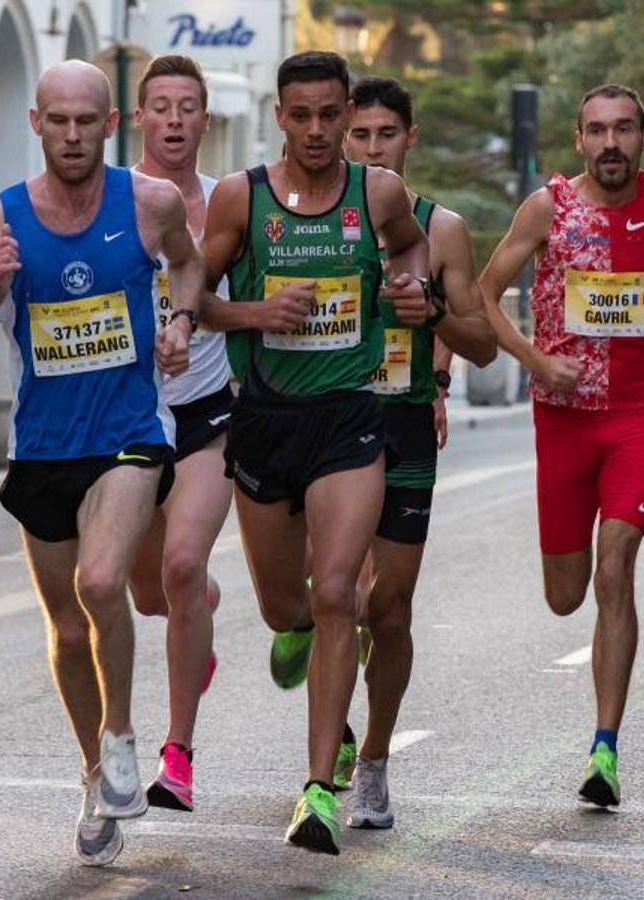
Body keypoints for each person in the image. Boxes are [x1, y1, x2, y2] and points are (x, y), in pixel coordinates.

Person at [201, 50, 492, 855]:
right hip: (269, 420)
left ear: (407, 138)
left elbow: (470, 327)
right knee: (291, 607)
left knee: (359, 600)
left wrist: (421, 303)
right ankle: (308, 660)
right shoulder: (249, 199)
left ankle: (341, 778)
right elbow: (193, 293)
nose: (343, 138)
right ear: (281, 117)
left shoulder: (412, 213)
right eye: (319, 119)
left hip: (370, 421)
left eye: (366, 127)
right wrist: (256, 313)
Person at [0, 60, 203, 868]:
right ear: (36, 123)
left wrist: (182, 321)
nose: (72, 135)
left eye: (86, 121)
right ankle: (96, 775)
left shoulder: (150, 202)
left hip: (129, 431)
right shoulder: (3, 218)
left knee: (102, 584)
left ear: (109, 124)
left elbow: (190, 264)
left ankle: (123, 735)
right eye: (57, 121)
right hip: (43, 448)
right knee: (65, 627)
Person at [478, 84, 644, 808]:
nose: (612, 144)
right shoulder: (547, 207)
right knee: (564, 594)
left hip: (639, 413)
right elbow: (487, 293)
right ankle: (602, 733)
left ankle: (604, 747)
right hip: (563, 416)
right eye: (598, 132)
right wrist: (535, 362)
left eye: (625, 130)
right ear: (579, 139)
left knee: (616, 570)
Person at [341, 74, 494, 830]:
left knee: (387, 608)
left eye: (386, 135)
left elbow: (483, 344)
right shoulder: (308, 223)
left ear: (410, 138)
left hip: (400, 426)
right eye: (360, 135)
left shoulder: (445, 228)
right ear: (341, 138)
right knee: (326, 597)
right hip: (323, 426)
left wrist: (432, 315)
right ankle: (326, 712)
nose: (374, 149)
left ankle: (372, 759)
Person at [123, 54, 233, 814]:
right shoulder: (112, 201)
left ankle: (178, 756)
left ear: (204, 119)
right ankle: (200, 609)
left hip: (208, 414)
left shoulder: (230, 205)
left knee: (183, 565)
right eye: (159, 106)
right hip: (128, 416)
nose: (172, 119)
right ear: (138, 118)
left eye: (186, 106)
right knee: (148, 592)